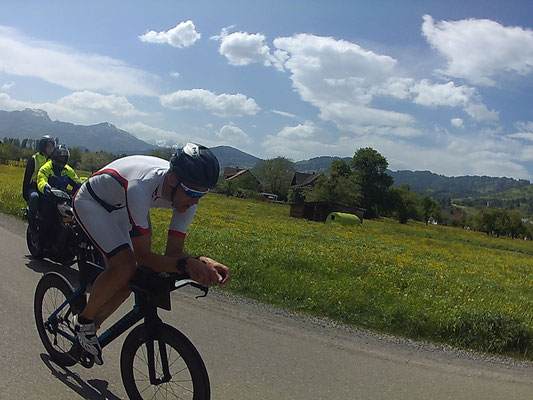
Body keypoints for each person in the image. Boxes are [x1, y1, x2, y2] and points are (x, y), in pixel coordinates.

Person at [72, 142, 230, 365]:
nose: (195, 201)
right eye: (193, 193)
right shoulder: (141, 187)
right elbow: (144, 257)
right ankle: (84, 322)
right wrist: (187, 266)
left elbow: (173, 253)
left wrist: (202, 261)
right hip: (92, 203)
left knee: (128, 282)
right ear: (173, 180)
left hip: (120, 207)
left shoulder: (186, 196)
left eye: (201, 195)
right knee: (125, 266)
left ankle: (89, 331)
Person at [22, 135, 54, 227]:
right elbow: (27, 177)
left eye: (52, 146)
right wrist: (25, 194)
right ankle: (31, 222)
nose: (51, 149)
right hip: (34, 187)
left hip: (47, 187)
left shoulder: (52, 161)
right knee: (34, 197)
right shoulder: (34, 159)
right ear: (43, 146)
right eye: (49, 146)